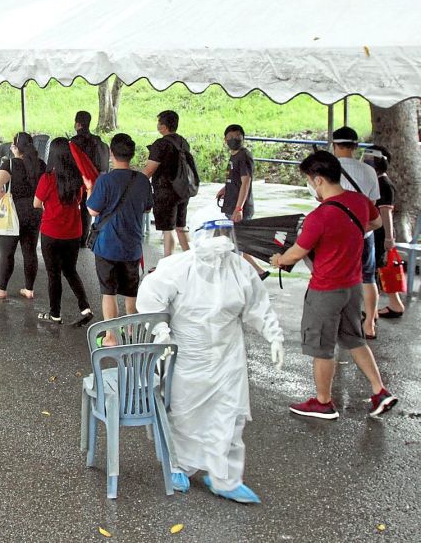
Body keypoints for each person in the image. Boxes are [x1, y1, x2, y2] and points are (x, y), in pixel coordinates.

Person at [137, 219, 285, 504]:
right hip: (188, 355)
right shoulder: (178, 267)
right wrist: (161, 332)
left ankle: (225, 478)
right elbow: (150, 297)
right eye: (214, 234)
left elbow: (258, 304)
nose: (220, 241)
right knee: (183, 413)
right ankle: (178, 465)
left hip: (228, 357)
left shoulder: (240, 269)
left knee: (229, 416)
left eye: (224, 235)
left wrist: (274, 335)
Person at [270, 151, 398, 420]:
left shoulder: (320, 217)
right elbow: (375, 222)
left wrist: (279, 259)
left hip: (325, 289)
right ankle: (379, 391)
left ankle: (323, 402)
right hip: (352, 287)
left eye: (308, 179)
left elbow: (295, 254)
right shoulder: (359, 202)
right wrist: (349, 235)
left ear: (317, 180)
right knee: (354, 339)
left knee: (322, 347)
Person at [86, 133, 153, 325]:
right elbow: (147, 208)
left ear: (111, 153)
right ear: (131, 154)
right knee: (131, 294)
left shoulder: (105, 181)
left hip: (107, 246)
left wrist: (90, 189)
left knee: (109, 292)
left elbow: (92, 210)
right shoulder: (141, 180)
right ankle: (132, 332)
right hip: (132, 247)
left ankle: (110, 336)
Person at [330, 126, 382, 339]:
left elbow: (321, 199)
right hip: (364, 233)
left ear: (334, 146)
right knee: (368, 278)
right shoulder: (369, 171)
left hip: (335, 236)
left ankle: (338, 323)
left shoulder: (327, 171)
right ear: (356, 146)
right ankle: (369, 324)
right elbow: (373, 205)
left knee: (335, 278)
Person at [34, 137, 93, 325]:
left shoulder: (48, 178)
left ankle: (55, 314)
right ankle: (85, 307)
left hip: (51, 232)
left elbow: (36, 203)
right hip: (73, 233)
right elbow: (82, 200)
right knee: (70, 270)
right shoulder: (78, 179)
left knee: (53, 274)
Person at [0, 133, 43, 301]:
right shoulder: (40, 164)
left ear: (16, 148)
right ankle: (29, 289)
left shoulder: (10, 164)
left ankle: (1, 288)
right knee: (30, 251)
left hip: (14, 211)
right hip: (35, 210)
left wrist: (1, 196)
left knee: (7, 252)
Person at [217, 124, 268, 279]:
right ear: (225, 139)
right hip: (231, 204)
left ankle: (237, 278)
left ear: (243, 138)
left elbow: (246, 182)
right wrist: (225, 188)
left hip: (238, 208)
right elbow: (235, 179)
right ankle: (259, 272)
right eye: (231, 137)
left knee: (235, 246)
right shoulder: (234, 156)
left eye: (237, 136)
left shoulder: (243, 156)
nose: (234, 139)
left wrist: (239, 208)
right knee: (237, 243)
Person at [144, 110, 193, 258]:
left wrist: (133, 179)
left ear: (164, 127)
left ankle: (167, 263)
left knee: (168, 229)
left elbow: (149, 170)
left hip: (166, 192)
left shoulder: (161, 144)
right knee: (181, 226)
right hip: (183, 190)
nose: (158, 125)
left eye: (159, 123)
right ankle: (191, 258)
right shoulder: (183, 142)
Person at [366, 147, 406, 319]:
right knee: (380, 269)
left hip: (380, 233)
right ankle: (394, 304)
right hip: (378, 232)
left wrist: (389, 238)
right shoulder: (379, 182)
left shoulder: (384, 185)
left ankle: (375, 311)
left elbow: (385, 213)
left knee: (376, 271)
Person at [71, 110, 108, 243]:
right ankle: (84, 238)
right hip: (96, 181)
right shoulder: (98, 141)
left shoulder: (74, 142)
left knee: (74, 207)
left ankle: (75, 234)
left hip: (78, 181)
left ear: (78, 124)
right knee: (87, 210)